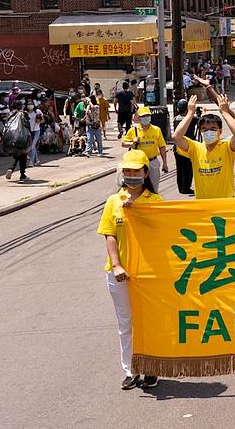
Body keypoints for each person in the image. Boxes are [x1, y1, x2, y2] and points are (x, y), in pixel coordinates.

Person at [97, 149, 162, 390]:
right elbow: (109, 234)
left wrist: (140, 214)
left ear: (146, 173)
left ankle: (151, 368)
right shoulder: (113, 201)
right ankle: (131, 370)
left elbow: (162, 235)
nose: (131, 175)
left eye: (136, 171)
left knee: (149, 322)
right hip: (120, 273)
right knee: (126, 323)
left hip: (149, 273)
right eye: (127, 171)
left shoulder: (155, 202)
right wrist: (116, 265)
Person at [172, 95, 235, 199]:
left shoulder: (227, 147)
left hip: (225, 203)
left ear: (220, 132)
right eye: (204, 129)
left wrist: (224, 112)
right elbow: (176, 137)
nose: (208, 132)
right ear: (200, 131)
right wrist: (190, 113)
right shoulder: (195, 148)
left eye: (213, 128)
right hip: (203, 205)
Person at [121, 106, 168, 192]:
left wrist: (165, 163)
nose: (146, 118)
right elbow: (123, 144)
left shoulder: (156, 130)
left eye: (147, 115)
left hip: (152, 162)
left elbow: (162, 147)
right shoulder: (133, 130)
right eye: (143, 116)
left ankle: (153, 203)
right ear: (139, 118)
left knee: (154, 187)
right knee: (138, 187)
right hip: (139, 164)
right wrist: (132, 143)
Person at [2, 100, 32, 182]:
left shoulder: (10, 114)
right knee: (23, 156)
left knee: (16, 155)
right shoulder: (23, 114)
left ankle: (11, 169)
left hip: (11, 138)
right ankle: (22, 175)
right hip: (22, 138)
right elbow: (27, 125)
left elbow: (6, 125)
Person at [172, 98, 197, 195]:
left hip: (177, 147)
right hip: (187, 147)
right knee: (188, 168)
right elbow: (199, 122)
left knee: (180, 168)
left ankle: (181, 187)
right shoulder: (191, 119)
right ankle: (186, 187)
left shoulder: (175, 119)